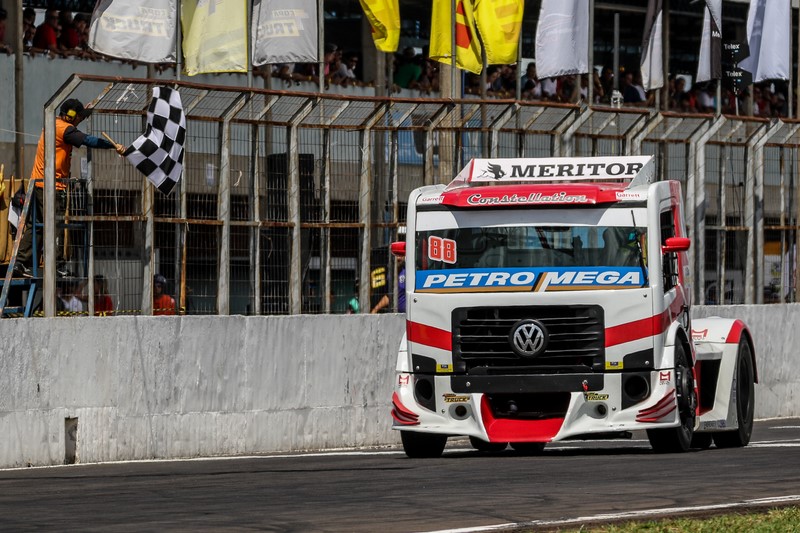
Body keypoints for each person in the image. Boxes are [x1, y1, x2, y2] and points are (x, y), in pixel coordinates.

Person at [15, 99, 125, 278]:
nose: (78, 120)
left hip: (39, 183)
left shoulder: (54, 124)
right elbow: (88, 140)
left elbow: (75, 125)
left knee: (36, 226)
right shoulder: (65, 130)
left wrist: (85, 113)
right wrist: (112, 145)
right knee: (56, 225)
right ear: (72, 116)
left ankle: (21, 262)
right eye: (78, 117)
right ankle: (57, 265)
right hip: (51, 187)